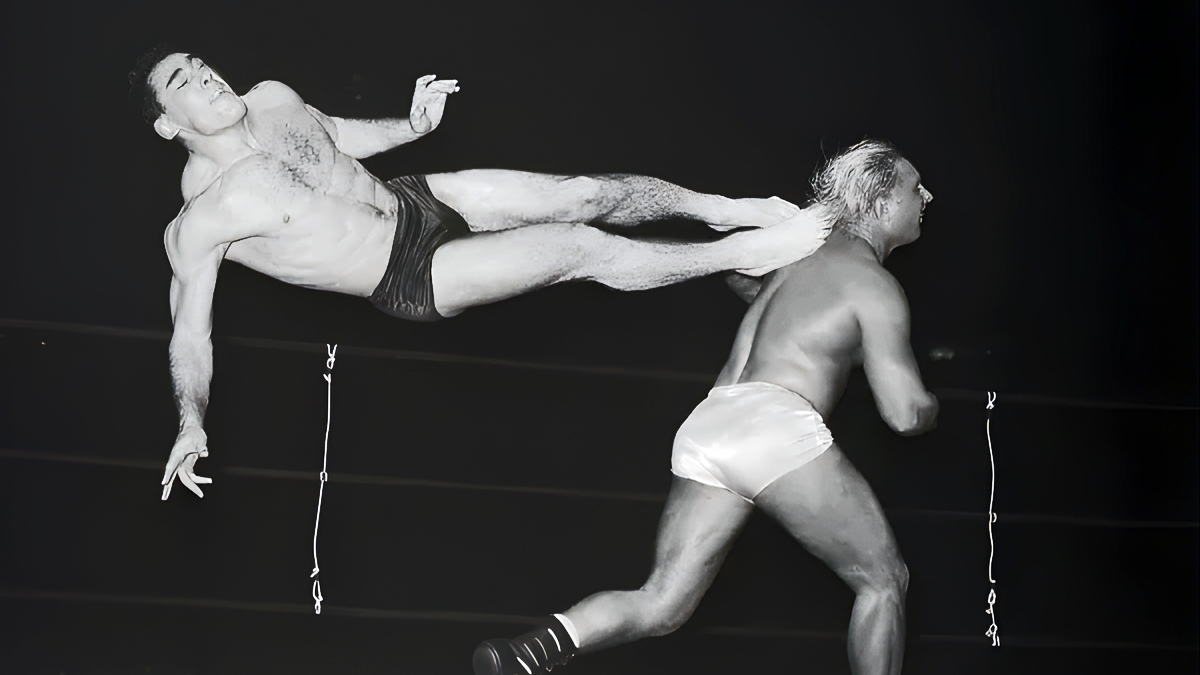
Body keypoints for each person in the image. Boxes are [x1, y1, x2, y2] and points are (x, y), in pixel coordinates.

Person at [126, 46, 831, 500]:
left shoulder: (273, 97)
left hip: (413, 196)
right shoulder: (202, 219)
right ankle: (742, 253)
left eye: (200, 62)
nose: (206, 75)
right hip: (405, 272)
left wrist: (411, 127)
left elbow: (334, 135)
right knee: (578, 245)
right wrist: (191, 423)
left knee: (583, 192)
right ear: (166, 124)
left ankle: (723, 210)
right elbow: (190, 335)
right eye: (183, 81)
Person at [473, 139, 938, 675]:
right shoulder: (875, 286)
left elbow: (741, 281)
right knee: (883, 581)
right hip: (772, 426)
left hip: (710, 423)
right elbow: (904, 414)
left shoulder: (793, 263)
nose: (927, 196)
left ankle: (529, 652)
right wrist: (934, 407)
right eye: (915, 187)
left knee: (662, 604)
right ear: (883, 201)